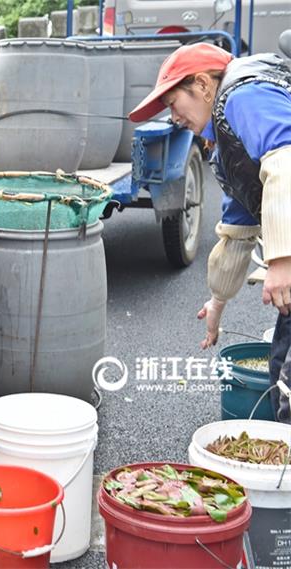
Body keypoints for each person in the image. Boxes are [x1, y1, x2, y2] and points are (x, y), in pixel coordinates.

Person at [129, 43, 291, 423]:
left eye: (173, 103)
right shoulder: (225, 140)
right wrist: (218, 301)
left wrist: (282, 259)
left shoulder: (241, 94)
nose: (174, 118)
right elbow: (238, 229)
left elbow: (286, 161)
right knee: (280, 369)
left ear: (202, 84)